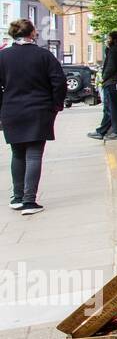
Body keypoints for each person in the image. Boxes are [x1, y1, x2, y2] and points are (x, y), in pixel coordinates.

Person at [0, 19, 67, 215]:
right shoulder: (43, 55)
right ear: (32, 33)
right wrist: (56, 104)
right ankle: (30, 201)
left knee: (17, 153)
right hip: (39, 109)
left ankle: (17, 197)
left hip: (11, 110)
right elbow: (59, 81)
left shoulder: (2, 57)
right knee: (34, 154)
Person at [89, 31, 117, 141]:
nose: (107, 40)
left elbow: (110, 67)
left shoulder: (114, 51)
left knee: (112, 108)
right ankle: (102, 131)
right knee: (110, 108)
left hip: (111, 82)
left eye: (109, 38)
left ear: (115, 40)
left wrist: (104, 78)